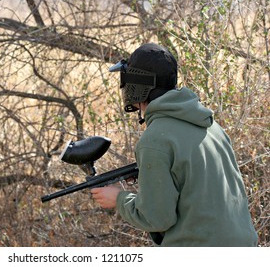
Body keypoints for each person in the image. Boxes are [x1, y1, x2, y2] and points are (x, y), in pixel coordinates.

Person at [91, 43, 258, 247]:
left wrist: (118, 199)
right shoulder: (211, 125)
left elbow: (157, 218)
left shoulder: (155, 140)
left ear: (136, 85)